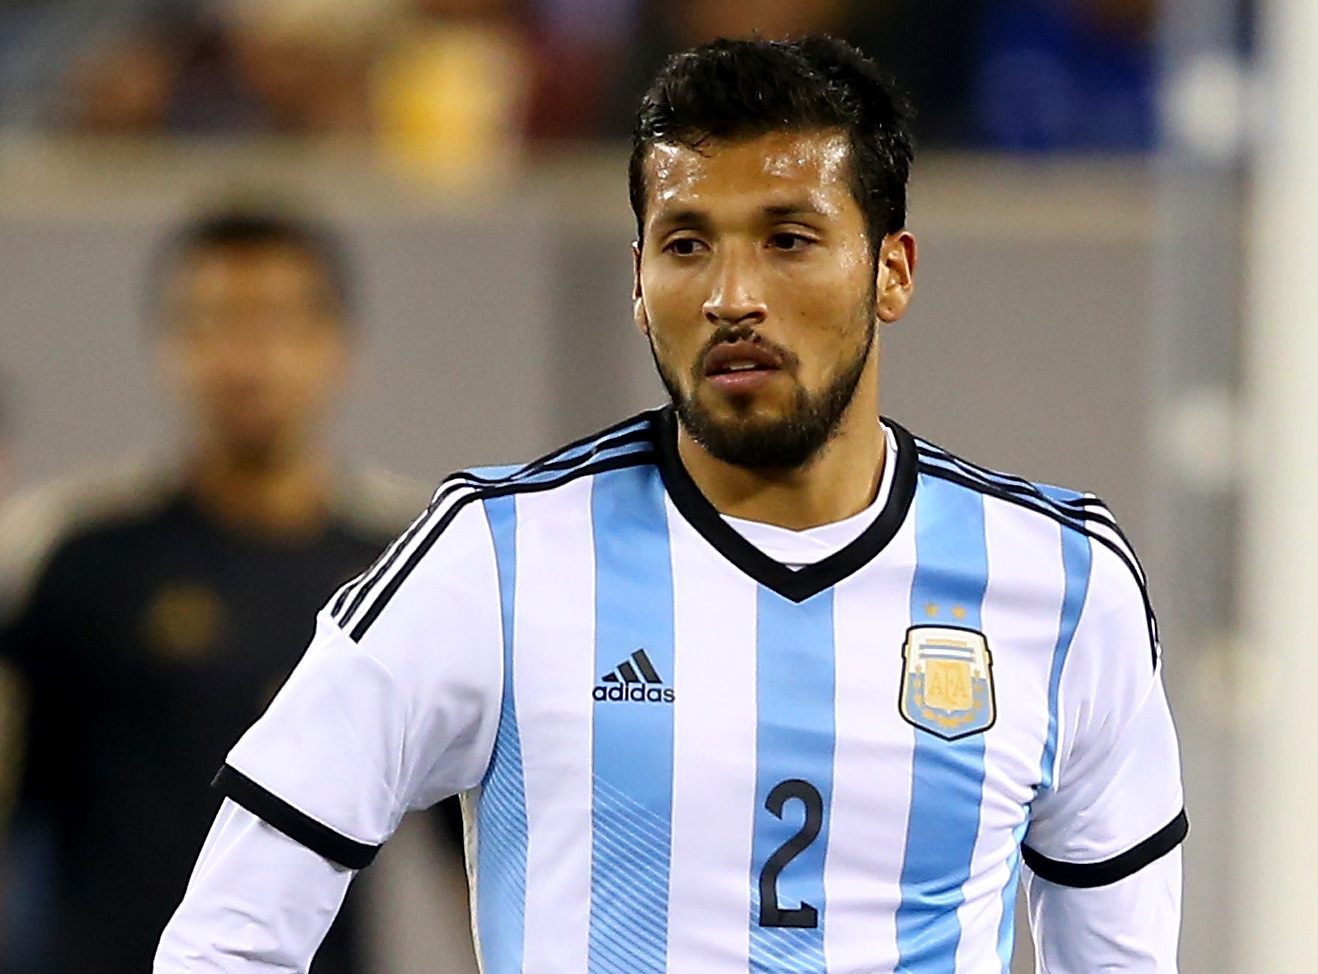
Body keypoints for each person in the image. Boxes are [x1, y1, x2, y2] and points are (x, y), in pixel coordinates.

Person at [157, 37, 1185, 973]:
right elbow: (226, 942)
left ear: (891, 271)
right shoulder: (491, 560)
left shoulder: (1063, 583)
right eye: (687, 243)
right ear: (639, 283)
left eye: (788, 239)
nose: (732, 295)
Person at [0, 207, 427, 973]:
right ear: (167, 345)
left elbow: (484, 849)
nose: (247, 360)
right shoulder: (73, 559)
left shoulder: (403, 573)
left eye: (277, 323)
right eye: (215, 323)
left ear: (339, 345)